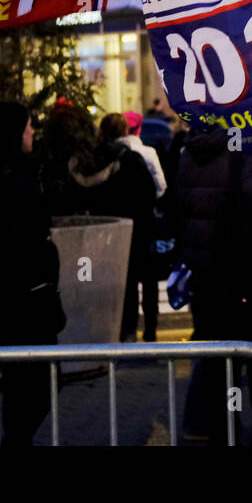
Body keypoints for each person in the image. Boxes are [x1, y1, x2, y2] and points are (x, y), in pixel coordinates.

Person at [176, 124, 252, 444]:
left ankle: (224, 435)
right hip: (249, 273)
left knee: (219, 373)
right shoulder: (250, 142)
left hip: (207, 276)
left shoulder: (189, 150)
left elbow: (182, 203)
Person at [0, 102, 64, 445]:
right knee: (39, 381)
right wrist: (43, 290)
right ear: (13, 133)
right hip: (18, 296)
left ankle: (16, 438)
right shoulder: (14, 181)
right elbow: (26, 243)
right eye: (27, 127)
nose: (33, 133)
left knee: (20, 380)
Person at [79, 112, 159, 342]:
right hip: (141, 226)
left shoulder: (96, 159)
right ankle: (151, 331)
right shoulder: (132, 158)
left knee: (128, 282)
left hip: (111, 230)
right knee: (148, 281)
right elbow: (150, 191)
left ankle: (127, 331)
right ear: (125, 132)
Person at [117, 111, 167, 198]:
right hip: (143, 205)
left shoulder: (112, 150)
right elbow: (160, 185)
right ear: (139, 129)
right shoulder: (149, 153)